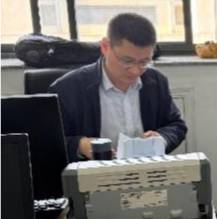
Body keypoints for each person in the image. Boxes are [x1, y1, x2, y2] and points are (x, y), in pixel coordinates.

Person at [50, 13, 187, 162]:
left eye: (144, 62)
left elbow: (176, 125)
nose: (135, 71)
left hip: (146, 169)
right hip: (93, 172)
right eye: (127, 61)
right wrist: (80, 145)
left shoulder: (156, 81)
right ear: (105, 47)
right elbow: (48, 142)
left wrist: (162, 138)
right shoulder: (69, 88)